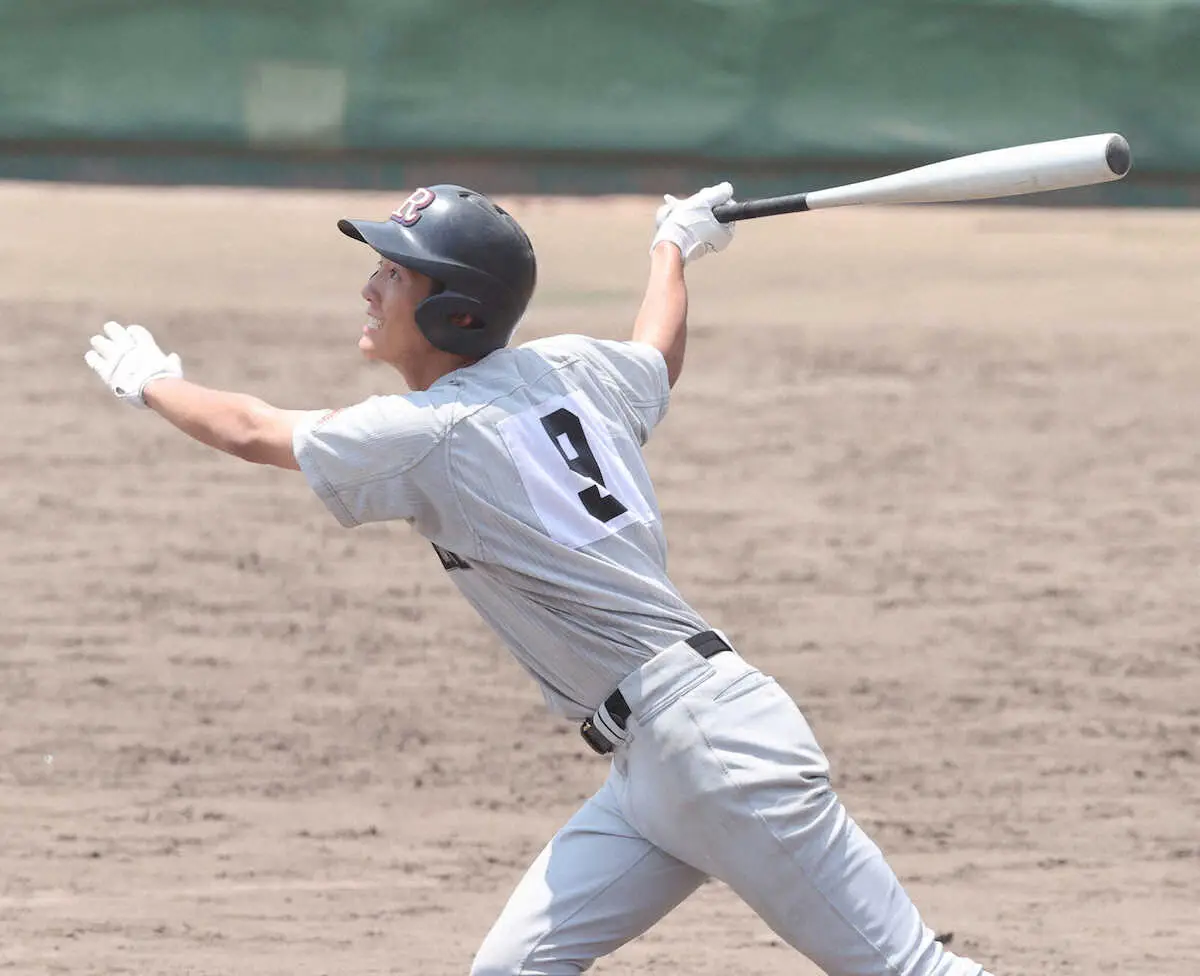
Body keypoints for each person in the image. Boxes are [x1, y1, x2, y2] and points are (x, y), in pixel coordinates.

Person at [84, 182, 993, 976]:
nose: (370, 284)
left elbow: (251, 430)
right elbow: (656, 359)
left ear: (454, 312)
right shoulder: (570, 369)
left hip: (718, 753)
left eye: (395, 272)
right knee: (514, 966)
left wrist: (153, 382)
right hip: (657, 764)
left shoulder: (433, 429)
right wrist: (673, 247)